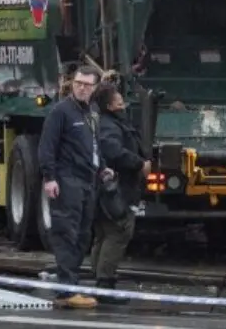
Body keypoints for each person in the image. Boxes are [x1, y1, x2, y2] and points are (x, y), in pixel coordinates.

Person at [38, 65, 108, 309]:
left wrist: (103, 168)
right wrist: (50, 177)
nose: (81, 88)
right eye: (78, 83)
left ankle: (72, 285)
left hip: (88, 180)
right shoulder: (61, 112)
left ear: (95, 88)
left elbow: (94, 145)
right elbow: (47, 146)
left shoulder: (93, 112)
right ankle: (66, 290)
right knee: (66, 233)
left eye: (87, 85)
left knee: (83, 235)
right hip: (68, 179)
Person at [88, 83, 151, 303]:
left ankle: (100, 280)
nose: (123, 103)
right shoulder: (110, 126)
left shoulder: (107, 122)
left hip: (108, 190)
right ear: (109, 105)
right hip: (116, 191)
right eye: (118, 100)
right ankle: (105, 284)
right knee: (118, 232)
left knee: (104, 235)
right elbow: (114, 151)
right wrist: (139, 163)